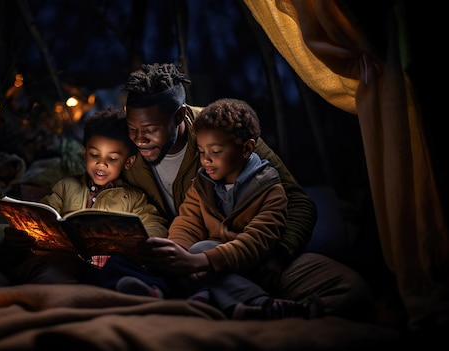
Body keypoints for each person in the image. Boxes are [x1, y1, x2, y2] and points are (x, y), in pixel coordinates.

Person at [114, 62, 375, 322]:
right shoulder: (123, 151)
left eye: (150, 130)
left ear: (180, 116)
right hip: (189, 262)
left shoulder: (221, 130)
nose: (139, 139)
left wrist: (276, 256)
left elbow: (298, 203)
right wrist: (174, 255)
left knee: (352, 291)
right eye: (132, 128)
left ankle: (240, 304)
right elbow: (183, 220)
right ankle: (229, 302)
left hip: (254, 257)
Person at [0, 107, 167, 289]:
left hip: (107, 268)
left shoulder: (133, 197)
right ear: (84, 152)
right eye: (94, 155)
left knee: (117, 273)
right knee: (51, 272)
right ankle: (20, 296)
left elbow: (153, 224)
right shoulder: (67, 186)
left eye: (112, 158)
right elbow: (43, 212)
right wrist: (20, 233)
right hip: (59, 262)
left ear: (128, 162)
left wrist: (147, 239)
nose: (101, 164)